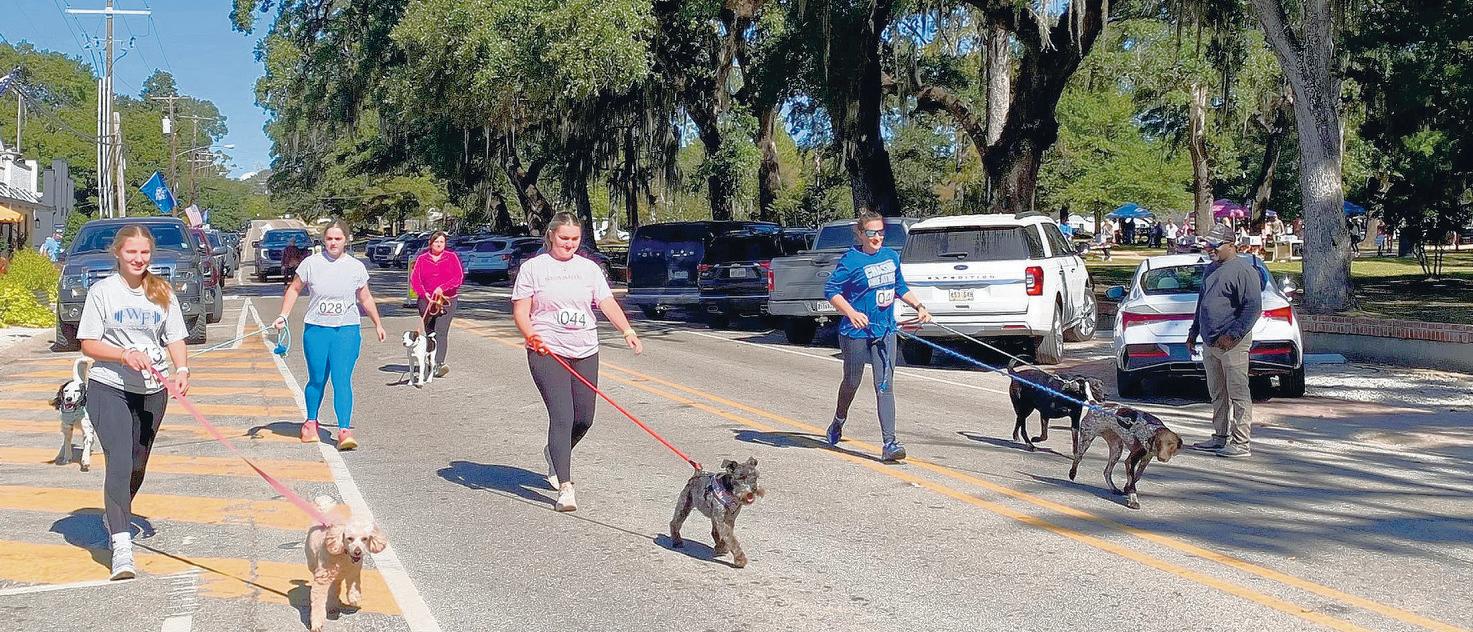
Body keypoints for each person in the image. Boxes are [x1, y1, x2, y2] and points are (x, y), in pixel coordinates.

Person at [77, 225, 192, 580]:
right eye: (131, 252)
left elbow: (175, 337)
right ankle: (122, 545)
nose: (138, 259)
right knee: (120, 459)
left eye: (144, 253)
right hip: (109, 386)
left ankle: (115, 514)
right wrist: (123, 354)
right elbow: (88, 344)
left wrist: (182, 369)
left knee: (137, 465)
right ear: (118, 253)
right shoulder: (102, 292)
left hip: (153, 390)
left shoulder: (161, 291)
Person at [513, 211, 643, 512]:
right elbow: (521, 311)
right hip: (548, 350)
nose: (569, 244)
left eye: (575, 239)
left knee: (584, 418)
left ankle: (555, 452)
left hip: (585, 348)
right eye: (564, 238)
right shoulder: (534, 268)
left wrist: (627, 330)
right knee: (562, 416)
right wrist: (531, 335)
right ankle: (566, 487)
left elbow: (606, 302)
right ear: (551, 236)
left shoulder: (589, 269)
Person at [823, 210, 933, 462]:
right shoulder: (851, 261)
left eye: (881, 232)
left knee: (884, 386)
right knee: (852, 381)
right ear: (861, 234)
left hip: (885, 331)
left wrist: (919, 306)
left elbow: (900, 287)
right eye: (872, 233)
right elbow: (831, 290)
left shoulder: (890, 257)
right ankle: (838, 420)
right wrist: (851, 313)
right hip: (855, 332)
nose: (877, 237)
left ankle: (890, 443)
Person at [274, 219, 386, 451]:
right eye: (329, 239)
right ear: (323, 240)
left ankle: (344, 430)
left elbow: (365, 297)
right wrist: (283, 315)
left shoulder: (356, 267)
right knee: (317, 379)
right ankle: (310, 423)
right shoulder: (311, 263)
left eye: (338, 239)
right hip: (316, 330)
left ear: (346, 240)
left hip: (346, 330)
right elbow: (294, 289)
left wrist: (378, 323)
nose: (333, 243)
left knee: (341, 379)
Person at [1186, 224, 1262, 459]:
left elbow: (1253, 308)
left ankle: (1241, 443)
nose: (1210, 249)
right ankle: (1219, 437)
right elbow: (1202, 304)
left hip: (1233, 343)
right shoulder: (1211, 269)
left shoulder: (1244, 271)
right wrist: (1193, 332)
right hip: (1210, 341)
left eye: (1215, 245)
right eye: (1208, 244)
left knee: (1238, 393)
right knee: (1217, 392)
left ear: (1231, 245)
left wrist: (1233, 335)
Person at [410, 231, 464, 377]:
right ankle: (430, 361)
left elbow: (458, 277)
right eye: (436, 242)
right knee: (430, 332)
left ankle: (439, 363)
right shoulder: (422, 259)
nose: (439, 244)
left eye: (442, 242)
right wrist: (424, 293)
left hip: (447, 300)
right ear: (431, 243)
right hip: (426, 300)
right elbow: (415, 280)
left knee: (441, 331)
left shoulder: (451, 257)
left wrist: (442, 288)